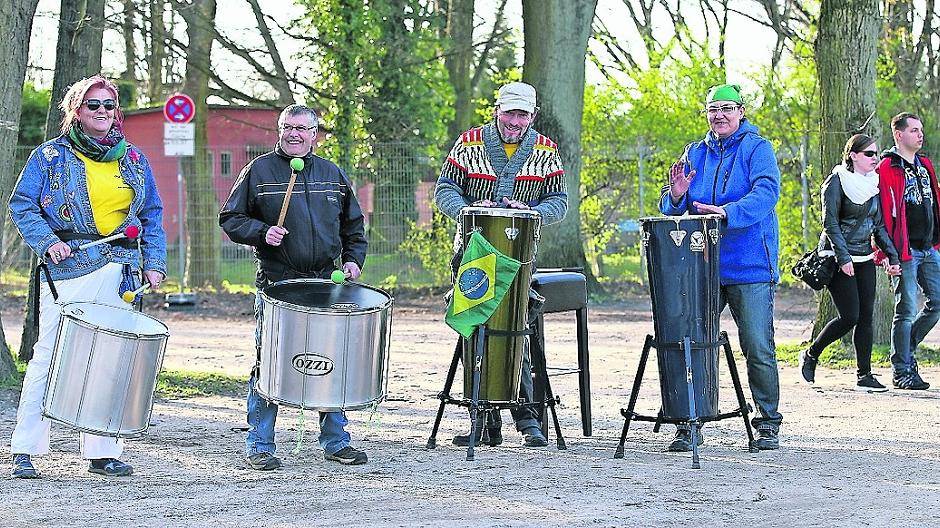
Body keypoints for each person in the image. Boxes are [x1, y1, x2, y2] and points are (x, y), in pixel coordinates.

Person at [8, 75, 167, 478]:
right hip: (69, 265)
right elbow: (22, 204)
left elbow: (151, 215)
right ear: (76, 111)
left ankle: (101, 451)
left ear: (117, 112)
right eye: (92, 105)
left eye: (108, 105)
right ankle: (25, 449)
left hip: (122, 271)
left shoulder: (133, 158)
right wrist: (48, 242)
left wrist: (154, 262)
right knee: (49, 354)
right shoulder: (49, 157)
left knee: (110, 360)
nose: (101, 112)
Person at [219, 104, 369, 469]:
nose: (295, 134)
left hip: (324, 282)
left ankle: (336, 440)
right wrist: (261, 231)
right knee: (270, 361)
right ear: (279, 130)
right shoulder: (259, 170)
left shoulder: (332, 174)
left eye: (303, 129)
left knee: (330, 359)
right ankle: (260, 444)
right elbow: (230, 217)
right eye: (288, 127)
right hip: (278, 282)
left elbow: (353, 226)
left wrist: (352, 260)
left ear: (315, 135)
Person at [435, 81, 567, 448]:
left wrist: (535, 212)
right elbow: (444, 189)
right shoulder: (469, 143)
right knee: (474, 327)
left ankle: (527, 418)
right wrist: (466, 210)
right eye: (509, 112)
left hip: (519, 256)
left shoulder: (545, 150)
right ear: (497, 110)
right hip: (473, 254)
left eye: (522, 114)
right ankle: (482, 418)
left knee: (517, 330)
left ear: (533, 116)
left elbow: (559, 200)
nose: (514, 121)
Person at [661, 83, 782, 451]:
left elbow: (767, 193)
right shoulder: (694, 152)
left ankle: (767, 422)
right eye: (713, 109)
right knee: (694, 344)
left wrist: (727, 213)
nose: (720, 116)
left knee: (758, 346)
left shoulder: (757, 149)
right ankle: (690, 421)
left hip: (750, 266)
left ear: (741, 112)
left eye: (728, 108)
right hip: (702, 266)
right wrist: (678, 194)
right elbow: (672, 208)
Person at [799, 134, 901, 391]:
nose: (874, 159)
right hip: (836, 256)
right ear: (853, 155)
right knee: (850, 316)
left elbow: (878, 226)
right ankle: (812, 353)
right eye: (869, 154)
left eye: (876, 154)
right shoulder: (836, 182)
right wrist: (843, 258)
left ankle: (864, 375)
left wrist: (892, 255)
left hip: (864, 256)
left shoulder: (873, 184)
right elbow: (830, 224)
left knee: (866, 315)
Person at [874, 112, 940, 390]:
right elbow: (880, 217)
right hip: (905, 251)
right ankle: (902, 370)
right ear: (899, 135)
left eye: (920, 130)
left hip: (929, 247)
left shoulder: (925, 165)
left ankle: (905, 350)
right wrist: (887, 254)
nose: (919, 134)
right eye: (913, 130)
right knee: (906, 309)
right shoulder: (886, 167)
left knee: (937, 303)